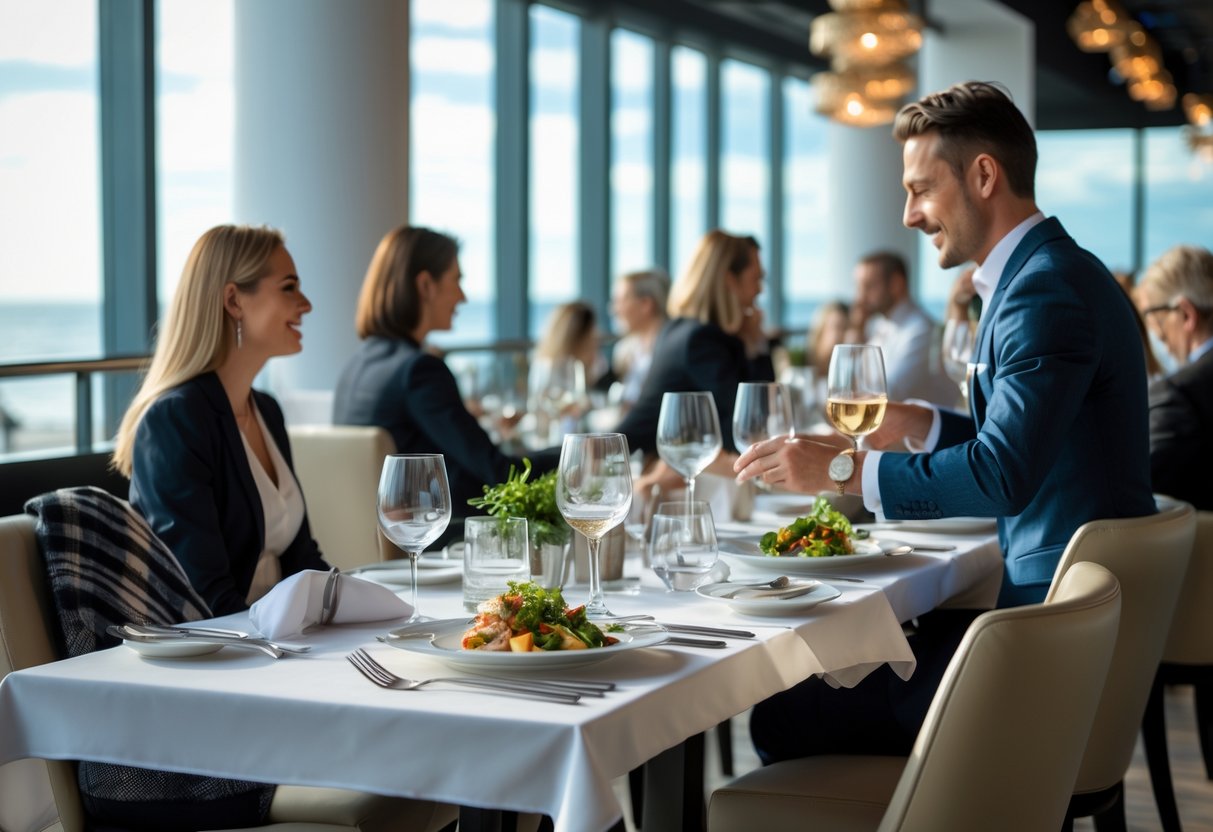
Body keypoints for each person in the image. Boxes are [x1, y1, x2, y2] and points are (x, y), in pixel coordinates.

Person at [734, 81, 1155, 762]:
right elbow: (1034, 444)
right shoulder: (1052, 274)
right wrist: (922, 423)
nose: (907, 215)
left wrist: (843, 468)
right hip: (1060, 628)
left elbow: (1002, 475)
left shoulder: (1041, 292)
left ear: (982, 175)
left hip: (1037, 649)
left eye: (920, 189)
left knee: (783, 710)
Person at [112, 225, 331, 617]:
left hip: (274, 643)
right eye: (288, 287)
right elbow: (203, 597)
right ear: (234, 300)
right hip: (222, 654)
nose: (307, 304)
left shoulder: (266, 410)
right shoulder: (175, 420)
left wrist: (364, 611)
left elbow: (302, 560)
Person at [333, 225, 557, 540]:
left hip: (372, 542)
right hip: (432, 542)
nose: (463, 296)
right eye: (457, 280)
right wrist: (571, 456)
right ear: (426, 285)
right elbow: (497, 474)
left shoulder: (357, 366)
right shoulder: (419, 371)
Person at [614, 229, 775, 465]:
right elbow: (753, 430)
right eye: (756, 279)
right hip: (672, 473)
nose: (760, 289)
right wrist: (757, 344)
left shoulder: (681, 330)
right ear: (730, 280)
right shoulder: (702, 341)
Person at [1136, 244, 1213, 510]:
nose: (1156, 335)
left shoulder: (1178, 394)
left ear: (1186, 314)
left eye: (1154, 318)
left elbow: (1141, 493)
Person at [847, 250, 957, 405]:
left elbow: (889, 394)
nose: (860, 298)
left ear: (897, 284)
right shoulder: (877, 324)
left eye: (869, 286)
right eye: (859, 287)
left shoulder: (921, 330)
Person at [608, 268, 671, 408]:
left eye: (621, 301)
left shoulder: (671, 352)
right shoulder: (625, 351)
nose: (614, 310)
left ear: (645, 304)